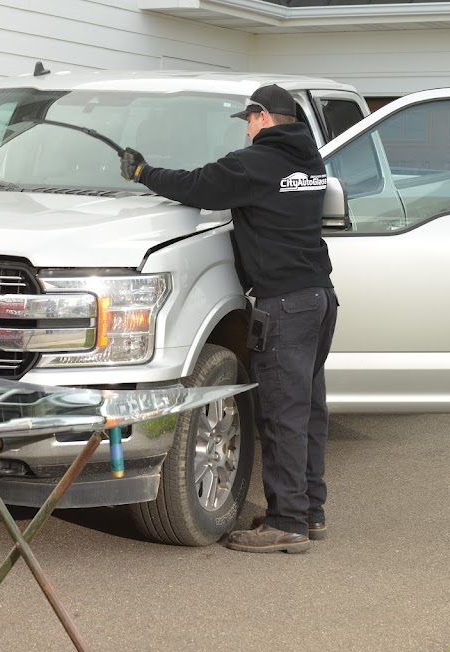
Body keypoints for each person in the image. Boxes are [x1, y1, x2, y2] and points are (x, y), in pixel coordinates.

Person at [120, 84, 338, 554]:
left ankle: (287, 523)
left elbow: (197, 184)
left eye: (248, 118)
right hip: (319, 300)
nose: (246, 127)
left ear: (262, 116)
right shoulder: (310, 162)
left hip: (285, 304)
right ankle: (309, 510)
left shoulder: (256, 163)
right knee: (308, 412)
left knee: (281, 415)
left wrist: (142, 170)